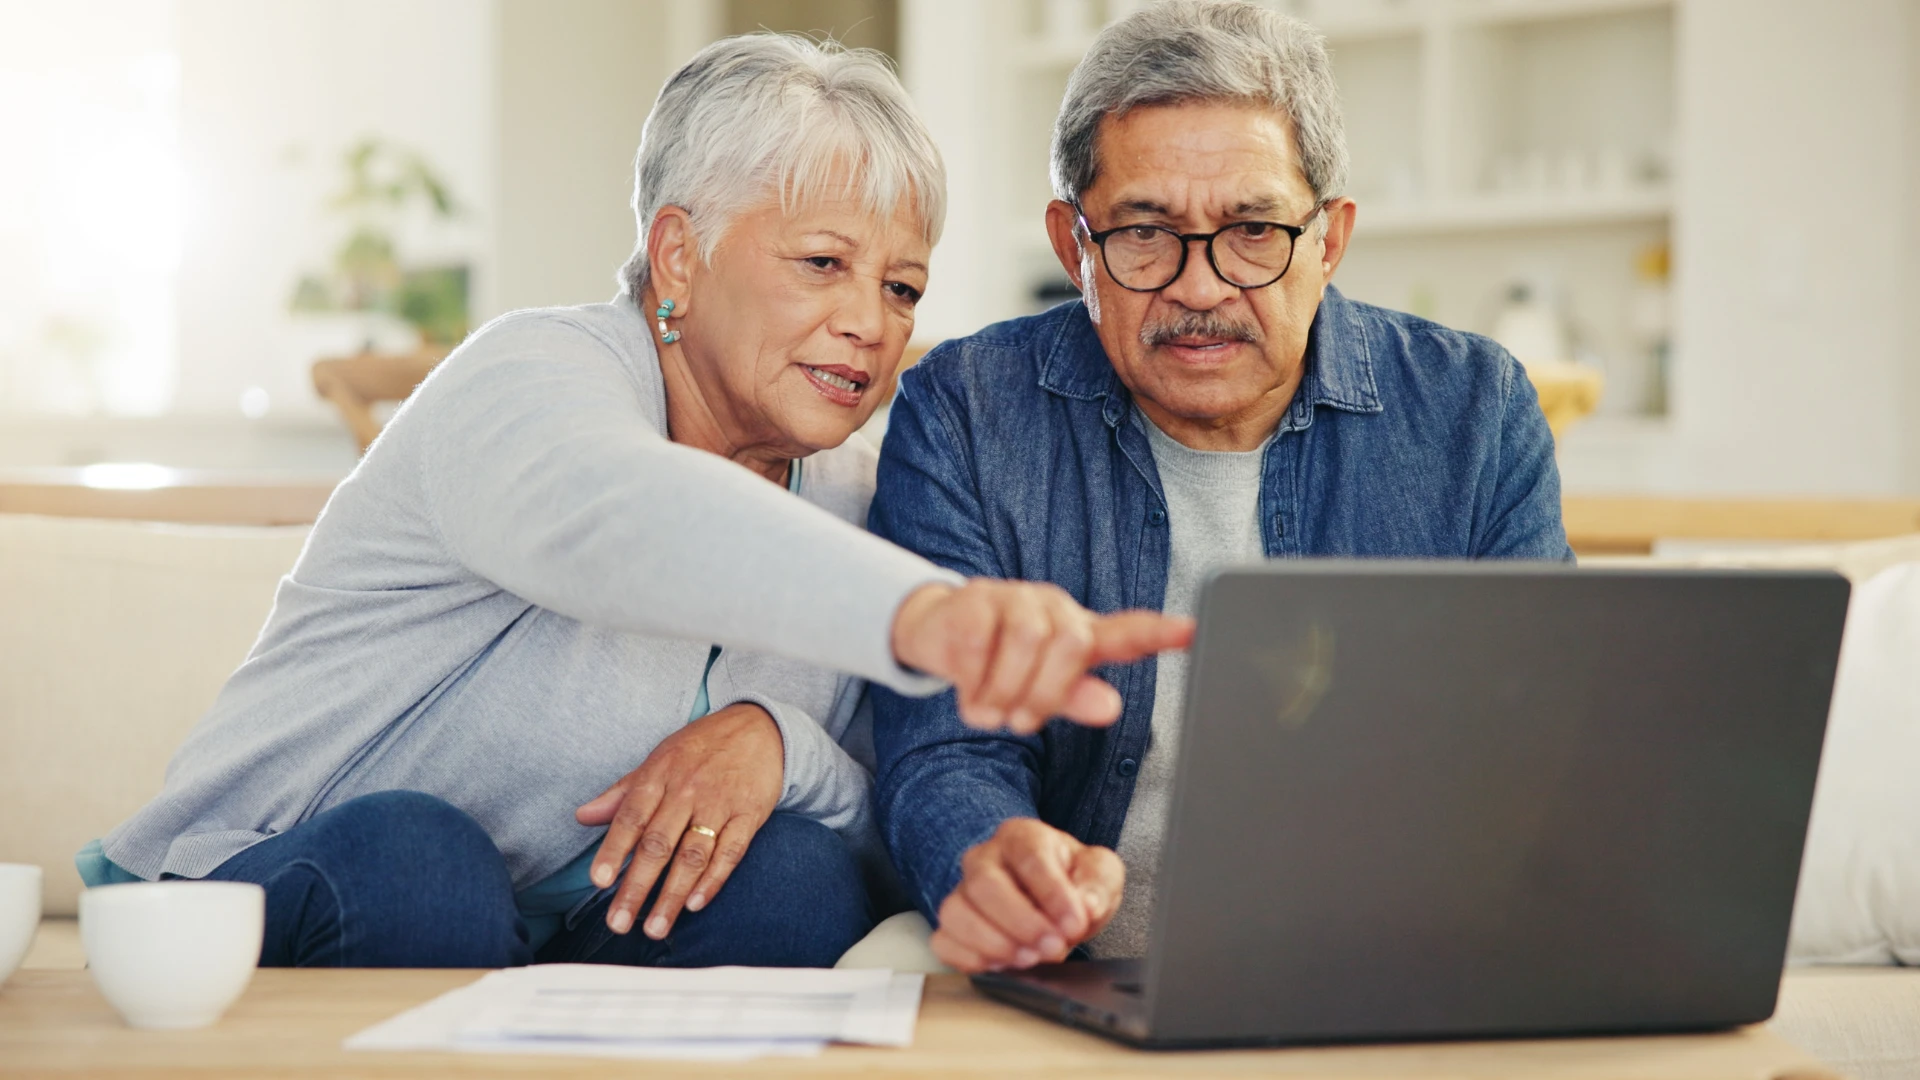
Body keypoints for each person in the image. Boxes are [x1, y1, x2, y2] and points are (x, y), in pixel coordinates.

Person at [80, 34, 1189, 970]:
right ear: (677, 256)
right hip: (264, 888)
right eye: (821, 263)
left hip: (566, 931)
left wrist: (776, 741)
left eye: (901, 287)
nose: (871, 320)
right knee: (425, 861)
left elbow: (884, 804)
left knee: (798, 878)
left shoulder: (856, 494)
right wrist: (928, 615)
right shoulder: (529, 380)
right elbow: (621, 517)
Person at [870, 0, 1574, 975]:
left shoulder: (1473, 411)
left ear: (1328, 240)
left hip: (1390, 971)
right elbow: (943, 747)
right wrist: (989, 856)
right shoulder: (965, 412)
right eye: (1145, 234)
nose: (1201, 288)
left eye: (1251, 231)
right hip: (1077, 975)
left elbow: (1536, 738)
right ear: (1074, 248)